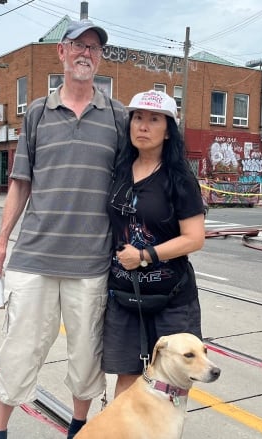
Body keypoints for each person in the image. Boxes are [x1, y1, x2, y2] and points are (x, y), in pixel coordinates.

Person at [0, 20, 127, 439]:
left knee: (86, 356)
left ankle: (78, 429)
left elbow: (130, 183)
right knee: (19, 349)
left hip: (92, 263)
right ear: (61, 53)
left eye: (94, 48)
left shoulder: (117, 117)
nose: (86, 53)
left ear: (100, 59)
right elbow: (20, 182)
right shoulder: (38, 114)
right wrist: (0, 244)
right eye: (78, 45)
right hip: (34, 258)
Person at [103, 90, 205, 397]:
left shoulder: (179, 178)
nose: (143, 126)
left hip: (171, 299)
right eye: (137, 118)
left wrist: (146, 255)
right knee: (127, 379)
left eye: (153, 119)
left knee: (171, 386)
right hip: (124, 295)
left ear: (168, 130)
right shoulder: (120, 170)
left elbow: (194, 238)